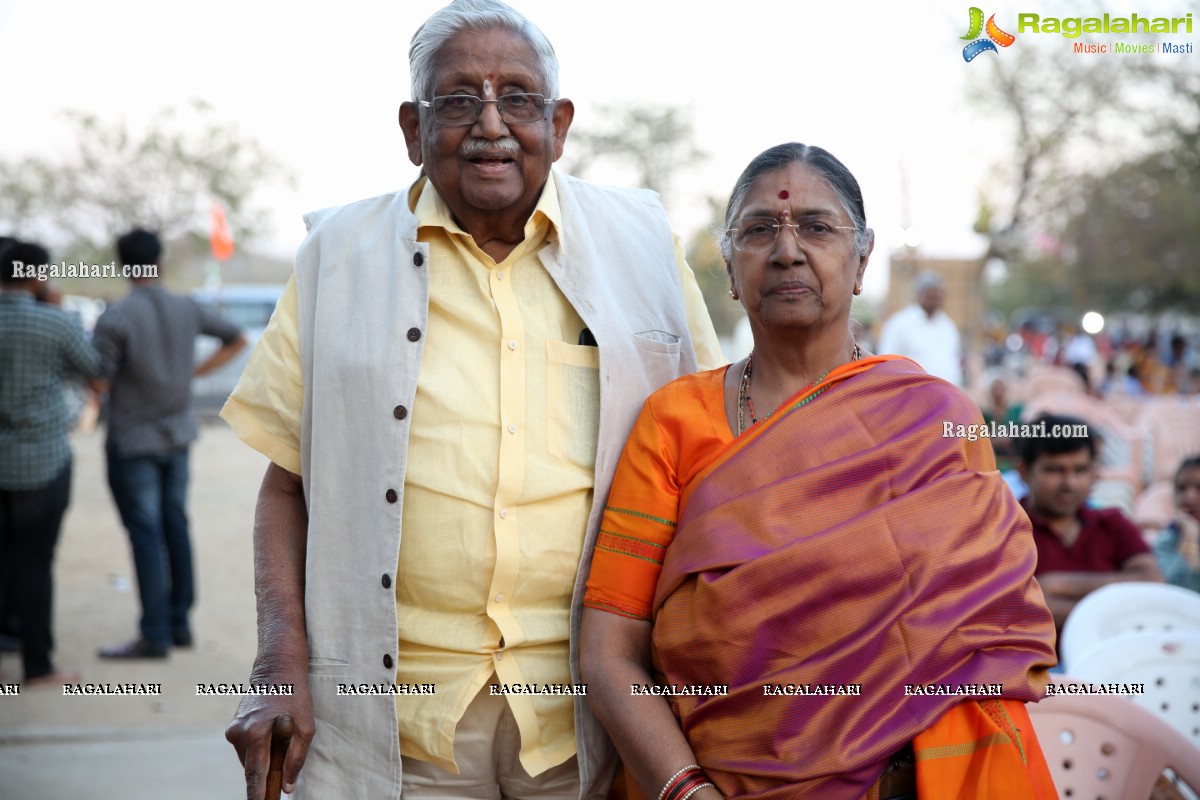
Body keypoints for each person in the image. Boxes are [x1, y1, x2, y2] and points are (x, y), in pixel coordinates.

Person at [219, 2, 722, 797]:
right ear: (413, 129)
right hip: (397, 720)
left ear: (558, 124)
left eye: (518, 98)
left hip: (591, 712)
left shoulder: (642, 242)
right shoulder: (335, 257)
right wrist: (276, 662)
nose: (491, 124)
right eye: (458, 100)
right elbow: (286, 483)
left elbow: (710, 448)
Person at [580, 143, 1058, 800]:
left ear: (861, 260)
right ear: (728, 267)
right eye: (757, 230)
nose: (786, 251)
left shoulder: (937, 421)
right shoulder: (673, 421)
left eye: (816, 226)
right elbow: (609, 649)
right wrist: (686, 790)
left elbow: (981, 635)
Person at [90, 229, 247, 659]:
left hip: (133, 439)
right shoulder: (186, 306)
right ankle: (179, 624)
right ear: (158, 260)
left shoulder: (116, 318)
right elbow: (237, 337)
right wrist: (194, 373)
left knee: (146, 534)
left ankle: (153, 634)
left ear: (123, 265)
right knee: (175, 525)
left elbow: (100, 379)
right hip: (177, 433)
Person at [0, 240, 101, 687]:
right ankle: (38, 665)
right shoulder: (57, 322)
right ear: (38, 277)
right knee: (35, 561)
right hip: (43, 461)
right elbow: (94, 369)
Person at [1017, 412, 1163, 628]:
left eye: (1081, 470)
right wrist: (1115, 610)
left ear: (1095, 473)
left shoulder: (1112, 523)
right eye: (1055, 470)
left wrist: (1053, 584)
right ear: (1023, 472)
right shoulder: (1003, 529)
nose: (1070, 482)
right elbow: (1016, 608)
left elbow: (1151, 581)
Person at [877, 270, 962, 386]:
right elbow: (885, 362)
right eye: (931, 293)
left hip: (947, 397)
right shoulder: (899, 323)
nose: (935, 297)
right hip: (913, 397)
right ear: (919, 294)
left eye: (938, 293)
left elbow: (954, 360)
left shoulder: (948, 325)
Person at [1153, 455, 1200, 592]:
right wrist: (1190, 537)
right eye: (1181, 488)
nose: (1189, 497)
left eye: (1199, 488)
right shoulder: (1167, 540)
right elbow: (1181, 591)